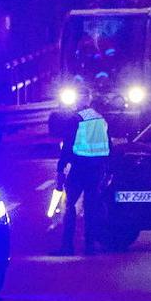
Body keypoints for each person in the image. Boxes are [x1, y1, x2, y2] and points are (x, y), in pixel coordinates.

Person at [52, 88, 110, 255]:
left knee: (69, 205)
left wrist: (61, 169)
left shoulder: (75, 119)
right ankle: (90, 245)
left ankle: (67, 246)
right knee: (91, 207)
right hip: (97, 169)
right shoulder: (100, 118)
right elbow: (108, 144)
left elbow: (68, 146)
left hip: (80, 168)